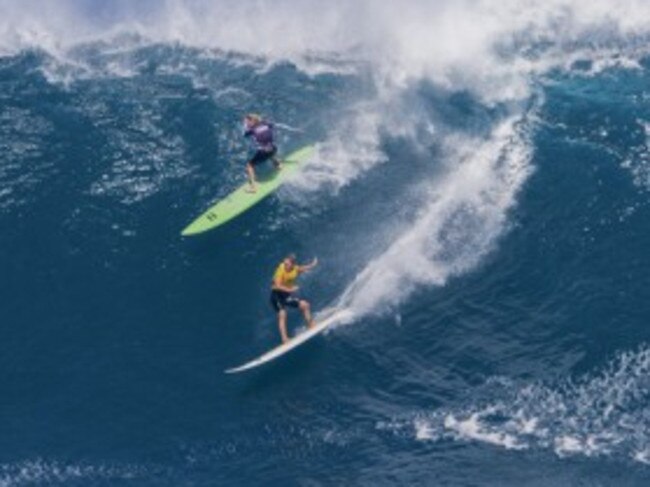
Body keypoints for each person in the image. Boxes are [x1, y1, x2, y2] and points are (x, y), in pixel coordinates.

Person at [270, 254, 318, 344]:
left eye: (288, 264)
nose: (286, 265)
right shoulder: (280, 270)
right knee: (282, 314)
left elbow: (302, 268)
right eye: (285, 263)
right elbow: (276, 285)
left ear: (292, 264)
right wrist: (290, 289)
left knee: (305, 305)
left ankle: (310, 325)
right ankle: (284, 339)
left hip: (286, 296)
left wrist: (312, 265)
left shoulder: (295, 269)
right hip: (276, 296)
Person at [243, 113, 282, 193]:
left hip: (265, 151)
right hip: (274, 148)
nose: (246, 123)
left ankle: (253, 188)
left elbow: (245, 134)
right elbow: (274, 125)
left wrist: (245, 126)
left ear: (252, 121)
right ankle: (278, 166)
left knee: (249, 166)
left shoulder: (252, 129)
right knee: (271, 153)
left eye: (247, 121)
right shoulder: (266, 124)